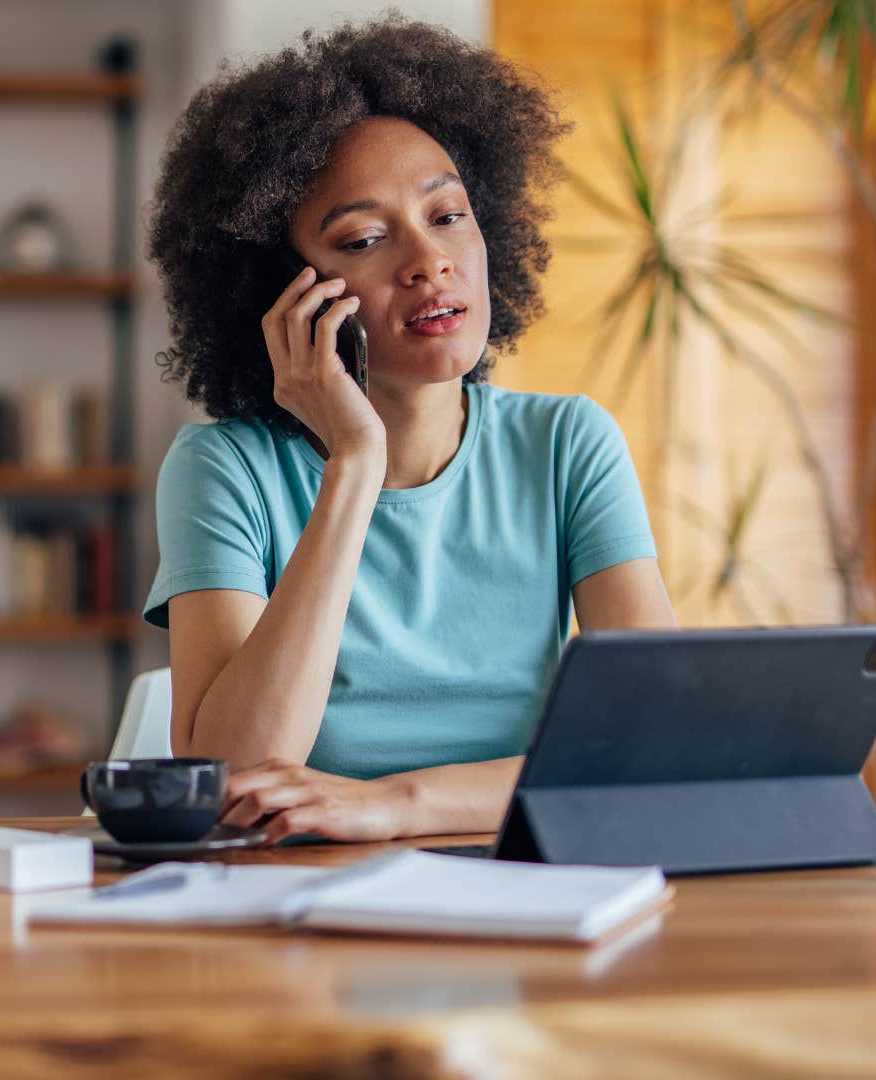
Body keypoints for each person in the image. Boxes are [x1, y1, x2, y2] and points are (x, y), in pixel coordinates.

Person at [141, 17, 678, 844]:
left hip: (527, 873)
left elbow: (655, 745)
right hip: (302, 885)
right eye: (364, 238)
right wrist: (355, 465)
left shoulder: (569, 445)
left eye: (449, 214)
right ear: (286, 296)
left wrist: (396, 803)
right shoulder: (225, 469)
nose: (430, 260)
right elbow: (233, 775)